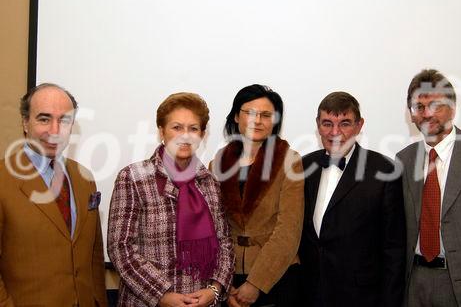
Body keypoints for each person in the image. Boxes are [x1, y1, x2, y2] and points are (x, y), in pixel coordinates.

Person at [108, 92, 234, 307]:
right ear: (161, 131)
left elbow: (225, 243)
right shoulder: (133, 177)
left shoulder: (210, 182)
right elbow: (120, 248)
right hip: (146, 302)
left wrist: (214, 290)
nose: (185, 136)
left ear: (202, 134)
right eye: (176, 127)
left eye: (193, 129)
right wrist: (162, 295)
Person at [396, 69, 461, 307]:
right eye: (418, 107)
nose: (426, 114)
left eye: (435, 105)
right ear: (411, 114)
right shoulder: (404, 160)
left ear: (452, 108)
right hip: (415, 287)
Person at [0, 84, 107, 306]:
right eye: (44, 119)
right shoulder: (3, 179)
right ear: (25, 123)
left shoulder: (84, 178)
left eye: (64, 120)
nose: (55, 131)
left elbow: (94, 253)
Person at [299, 91, 406, 306]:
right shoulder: (303, 166)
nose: (335, 132)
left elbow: (394, 249)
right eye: (327, 123)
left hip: (362, 297)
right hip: (309, 293)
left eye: (345, 123)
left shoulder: (384, 171)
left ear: (359, 125)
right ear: (318, 125)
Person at [210, 84, 304, 307]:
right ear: (236, 116)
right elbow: (212, 227)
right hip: (229, 278)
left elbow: (288, 231)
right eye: (250, 113)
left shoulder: (290, 161)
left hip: (276, 276)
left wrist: (256, 284)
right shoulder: (217, 164)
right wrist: (223, 282)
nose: (258, 120)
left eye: (266, 115)